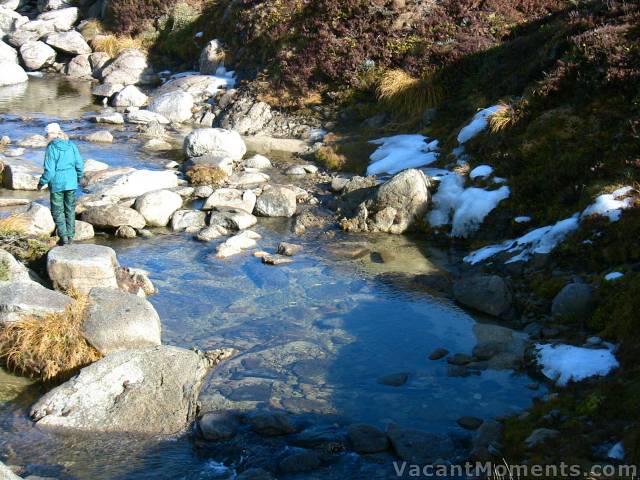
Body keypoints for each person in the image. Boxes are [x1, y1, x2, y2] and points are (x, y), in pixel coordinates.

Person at [37, 123, 84, 246]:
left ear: (51, 134)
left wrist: (41, 182)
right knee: (70, 210)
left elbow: (50, 171)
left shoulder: (51, 148)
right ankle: (71, 236)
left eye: (46, 134)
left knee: (57, 211)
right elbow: (79, 164)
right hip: (71, 183)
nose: (46, 137)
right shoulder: (72, 145)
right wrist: (78, 177)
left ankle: (64, 238)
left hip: (57, 184)